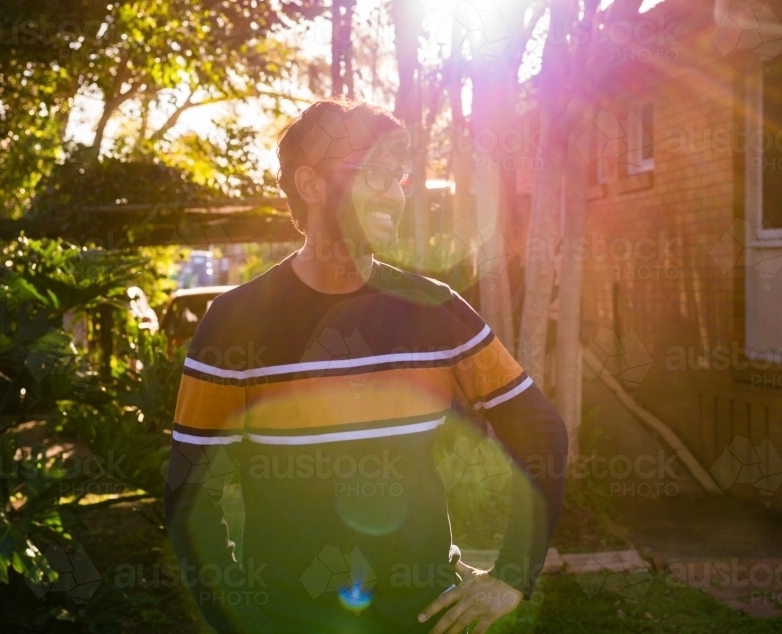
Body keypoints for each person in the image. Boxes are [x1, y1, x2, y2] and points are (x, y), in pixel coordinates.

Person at [164, 99, 567, 634]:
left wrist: (512, 574)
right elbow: (190, 495)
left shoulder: (438, 310)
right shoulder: (234, 322)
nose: (392, 191)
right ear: (310, 184)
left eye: (397, 175)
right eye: (370, 172)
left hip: (425, 618)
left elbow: (540, 433)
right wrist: (239, 619)